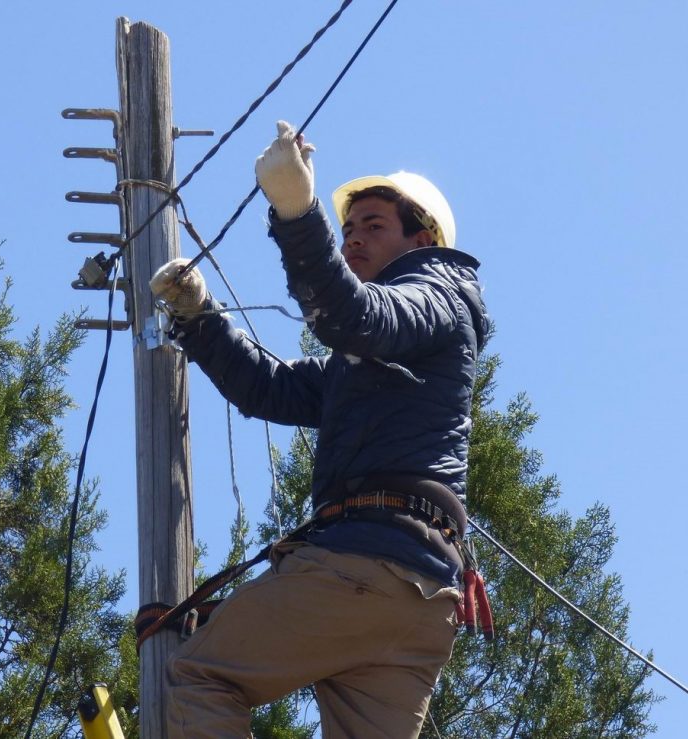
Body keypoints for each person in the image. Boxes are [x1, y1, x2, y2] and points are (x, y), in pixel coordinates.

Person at [149, 120, 490, 738]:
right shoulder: (375, 360)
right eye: (349, 227)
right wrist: (200, 319)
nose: (354, 240)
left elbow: (354, 317)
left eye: (374, 226)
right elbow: (271, 387)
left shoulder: (435, 291)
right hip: (416, 603)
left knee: (201, 675)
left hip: (366, 565)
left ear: (424, 240)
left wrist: (297, 211)